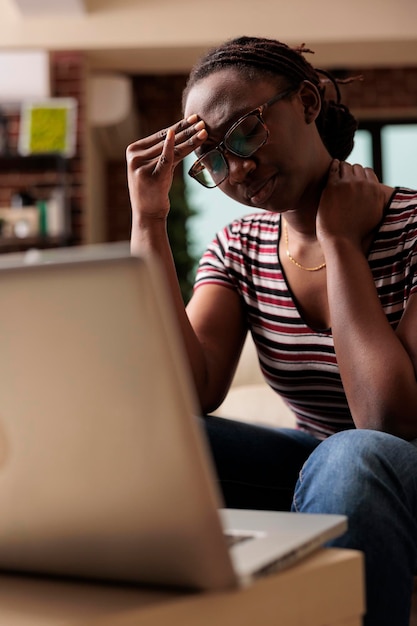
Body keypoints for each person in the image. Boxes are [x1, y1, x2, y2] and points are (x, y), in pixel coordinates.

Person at [126, 35, 417, 625]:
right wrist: (149, 222)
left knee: (355, 455)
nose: (237, 168)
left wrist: (339, 243)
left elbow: (390, 422)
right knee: (144, 444)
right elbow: (189, 392)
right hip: (319, 469)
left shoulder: (413, 227)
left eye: (245, 131)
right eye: (211, 160)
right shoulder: (239, 246)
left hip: (391, 467)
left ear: (307, 102)